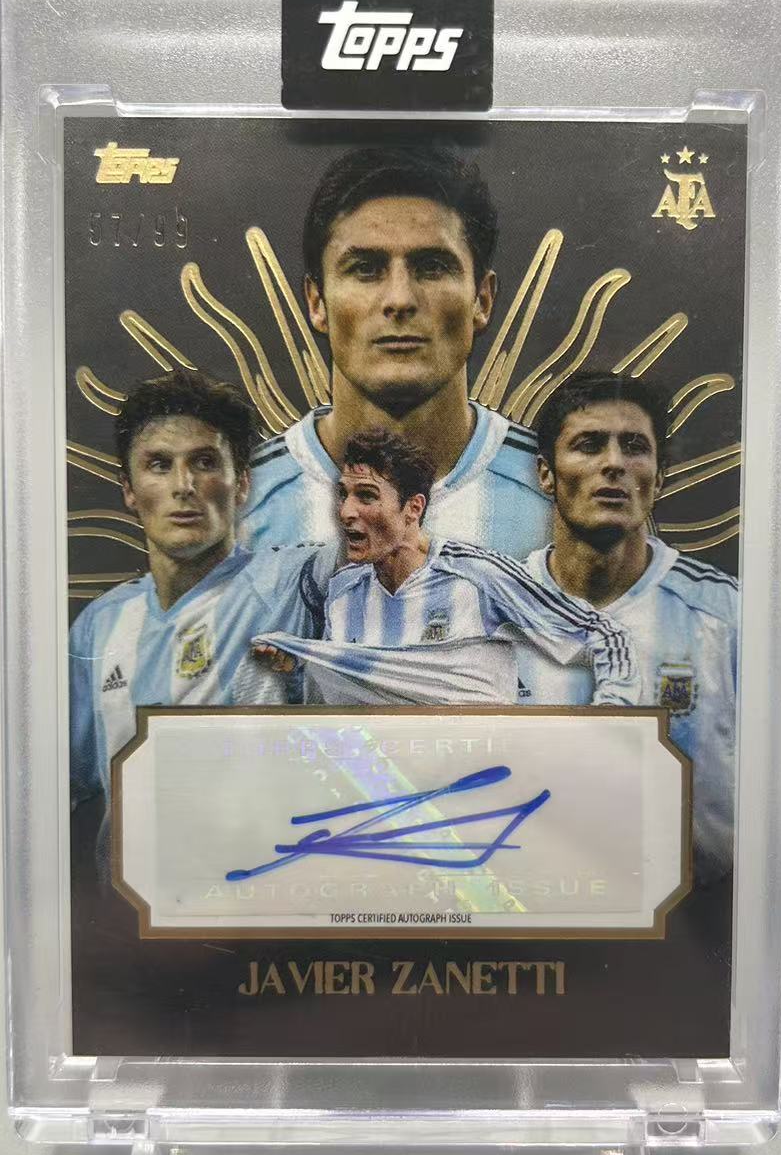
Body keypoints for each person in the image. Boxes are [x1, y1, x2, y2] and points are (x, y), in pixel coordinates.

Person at [241, 146, 551, 558]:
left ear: (482, 300)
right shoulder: (238, 509)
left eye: (432, 267)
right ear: (316, 302)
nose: (400, 299)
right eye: (365, 269)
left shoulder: (561, 499)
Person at [69, 369, 327, 817]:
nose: (183, 486)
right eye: (159, 465)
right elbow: (64, 786)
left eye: (205, 462)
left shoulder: (293, 582)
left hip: (268, 858)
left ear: (242, 483)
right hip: (133, 866)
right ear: (129, 490)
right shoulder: (99, 626)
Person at [520, 369, 739, 883]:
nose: (614, 464)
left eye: (634, 447)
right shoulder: (487, 610)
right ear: (546, 474)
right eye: (589, 445)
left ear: (658, 479)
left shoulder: (726, 617)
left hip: (691, 916)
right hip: (525, 906)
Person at [253, 427, 638, 708]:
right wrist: (294, 673)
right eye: (344, 495)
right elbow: (334, 701)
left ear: (413, 508)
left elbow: (603, 636)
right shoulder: (343, 591)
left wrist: (613, 719)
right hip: (380, 784)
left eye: (366, 496)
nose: (346, 512)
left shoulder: (477, 575)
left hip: (477, 778)